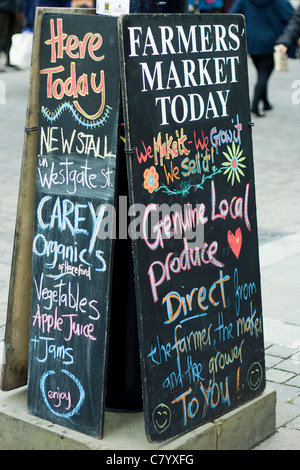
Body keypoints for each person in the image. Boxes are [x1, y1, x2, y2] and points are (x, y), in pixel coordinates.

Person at [230, 0, 295, 117]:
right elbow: (291, 18)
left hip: (251, 42)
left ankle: (265, 103)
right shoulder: (281, 2)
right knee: (263, 75)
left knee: (261, 72)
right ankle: (255, 105)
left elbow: (232, 15)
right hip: (273, 43)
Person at [0, 0, 23, 70]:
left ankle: (9, 60)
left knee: (12, 35)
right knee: (1, 34)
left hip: (14, 8)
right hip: (3, 7)